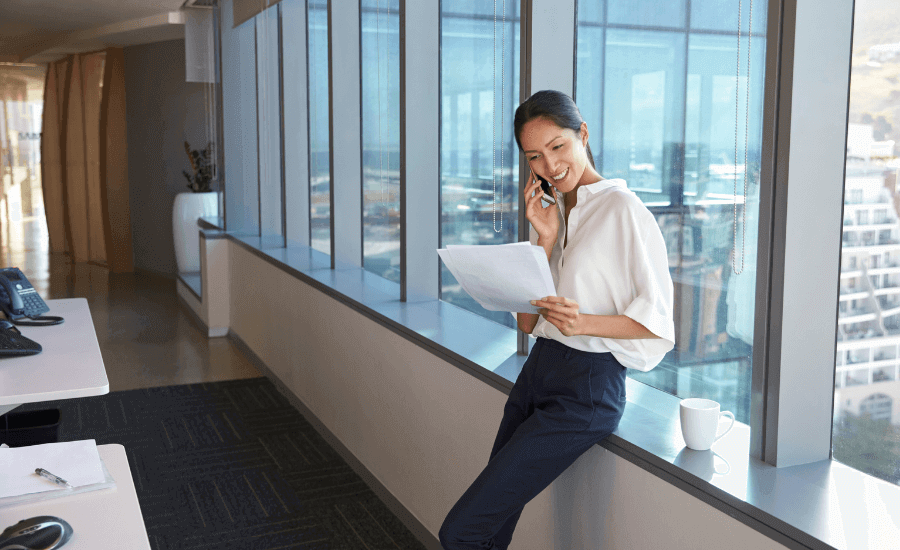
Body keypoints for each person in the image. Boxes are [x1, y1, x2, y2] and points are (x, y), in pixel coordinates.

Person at [438, 90, 676, 550]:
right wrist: (542, 240)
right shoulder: (555, 212)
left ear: (582, 134)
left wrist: (582, 323)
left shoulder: (623, 211)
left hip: (586, 387)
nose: (549, 165)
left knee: (462, 528)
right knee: (493, 525)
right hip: (539, 372)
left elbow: (658, 326)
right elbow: (528, 324)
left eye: (558, 146)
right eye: (535, 157)